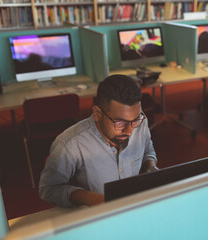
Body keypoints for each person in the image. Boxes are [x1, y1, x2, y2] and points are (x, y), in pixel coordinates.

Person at [39, 74, 158, 208]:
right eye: (120, 123)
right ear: (97, 113)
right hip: (96, 215)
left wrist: (151, 168)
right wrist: (90, 199)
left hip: (133, 208)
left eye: (135, 120)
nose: (130, 131)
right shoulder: (69, 144)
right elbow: (48, 189)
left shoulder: (140, 123)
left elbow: (147, 148)